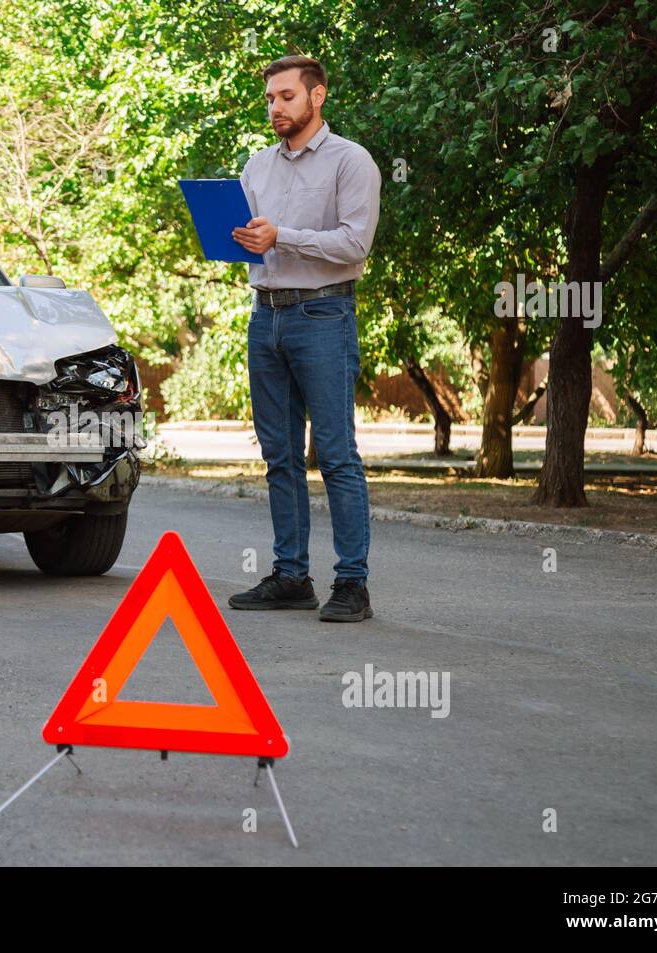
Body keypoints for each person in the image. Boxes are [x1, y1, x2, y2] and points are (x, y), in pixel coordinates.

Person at [227, 55, 381, 623]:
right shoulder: (257, 166)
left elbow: (354, 245)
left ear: (316, 97)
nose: (275, 108)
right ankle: (292, 575)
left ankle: (352, 584)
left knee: (336, 455)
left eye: (286, 97)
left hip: (323, 317)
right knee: (280, 456)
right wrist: (237, 237)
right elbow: (254, 240)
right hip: (263, 315)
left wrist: (282, 236)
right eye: (270, 98)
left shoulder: (350, 161)